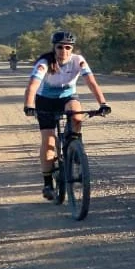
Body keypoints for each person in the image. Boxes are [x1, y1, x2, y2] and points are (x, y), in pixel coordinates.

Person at [22, 31, 111, 200]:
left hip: (68, 98)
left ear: (73, 48)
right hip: (45, 101)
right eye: (60, 47)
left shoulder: (78, 60)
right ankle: (48, 183)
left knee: (77, 115)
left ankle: (73, 144)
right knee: (48, 141)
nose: (64, 50)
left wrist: (103, 104)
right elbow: (32, 85)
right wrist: (29, 105)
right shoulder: (44, 62)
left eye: (68, 47)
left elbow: (91, 82)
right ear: (54, 48)